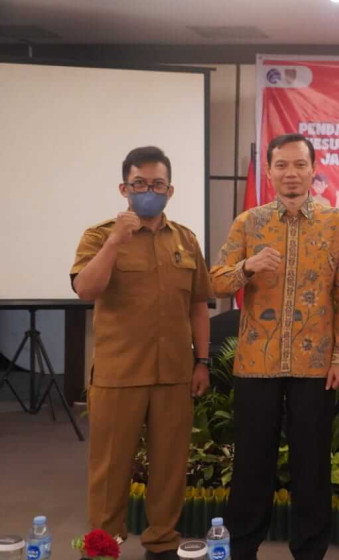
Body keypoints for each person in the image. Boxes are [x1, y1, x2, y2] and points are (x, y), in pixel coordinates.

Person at [210, 133, 339, 560]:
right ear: (270, 171)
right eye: (282, 165)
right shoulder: (249, 222)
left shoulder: (337, 223)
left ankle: (310, 551)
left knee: (311, 465)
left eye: (299, 165)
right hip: (256, 363)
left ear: (313, 170)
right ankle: (243, 548)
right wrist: (247, 266)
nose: (291, 173)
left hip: (316, 366)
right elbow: (215, 282)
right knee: (251, 462)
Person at [71, 146, 212, 560]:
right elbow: (86, 289)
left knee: (169, 467)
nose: (149, 191)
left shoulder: (186, 240)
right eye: (139, 184)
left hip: (174, 374)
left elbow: (198, 306)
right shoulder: (99, 236)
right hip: (119, 374)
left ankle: (162, 542)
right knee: (110, 470)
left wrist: (202, 361)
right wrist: (116, 241)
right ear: (124, 189)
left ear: (170, 190)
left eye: (157, 184)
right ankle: (103, 546)